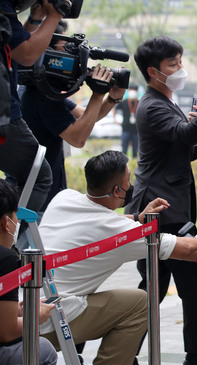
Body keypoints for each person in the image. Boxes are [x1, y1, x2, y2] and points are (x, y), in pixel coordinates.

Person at [37, 150, 197, 365]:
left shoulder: (63, 198)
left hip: (27, 312)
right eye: (127, 185)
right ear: (116, 192)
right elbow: (189, 250)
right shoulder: (119, 232)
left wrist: (138, 218)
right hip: (51, 327)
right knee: (139, 302)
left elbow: (101, 223)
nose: (131, 188)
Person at [126, 36, 197, 365]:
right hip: (158, 209)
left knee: (190, 281)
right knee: (156, 288)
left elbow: (183, 146)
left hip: (170, 207)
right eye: (172, 64)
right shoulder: (152, 104)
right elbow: (185, 135)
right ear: (153, 71)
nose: (180, 69)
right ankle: (126, 354)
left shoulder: (163, 99)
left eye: (180, 61)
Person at [22, 21, 127, 213]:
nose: (72, 54)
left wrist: (111, 98)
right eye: (67, 47)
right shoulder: (43, 96)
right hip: (36, 199)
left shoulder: (42, 89)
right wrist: (97, 93)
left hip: (36, 191)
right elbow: (78, 138)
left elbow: (85, 117)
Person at [0, 179, 57, 365]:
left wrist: (16, 310)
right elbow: (6, 332)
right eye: (15, 218)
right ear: (6, 222)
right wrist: (36, 316)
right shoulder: (5, 259)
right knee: (43, 351)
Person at [0, 0, 61, 217]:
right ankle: (9, 237)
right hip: (4, 115)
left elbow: (12, 47)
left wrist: (35, 21)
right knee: (39, 176)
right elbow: (26, 55)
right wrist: (54, 16)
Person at [115, 84, 140, 158]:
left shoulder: (139, 102)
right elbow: (115, 108)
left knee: (135, 150)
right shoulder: (124, 102)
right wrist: (115, 119)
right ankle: (123, 164)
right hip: (125, 129)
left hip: (136, 130)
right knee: (124, 149)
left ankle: (134, 164)